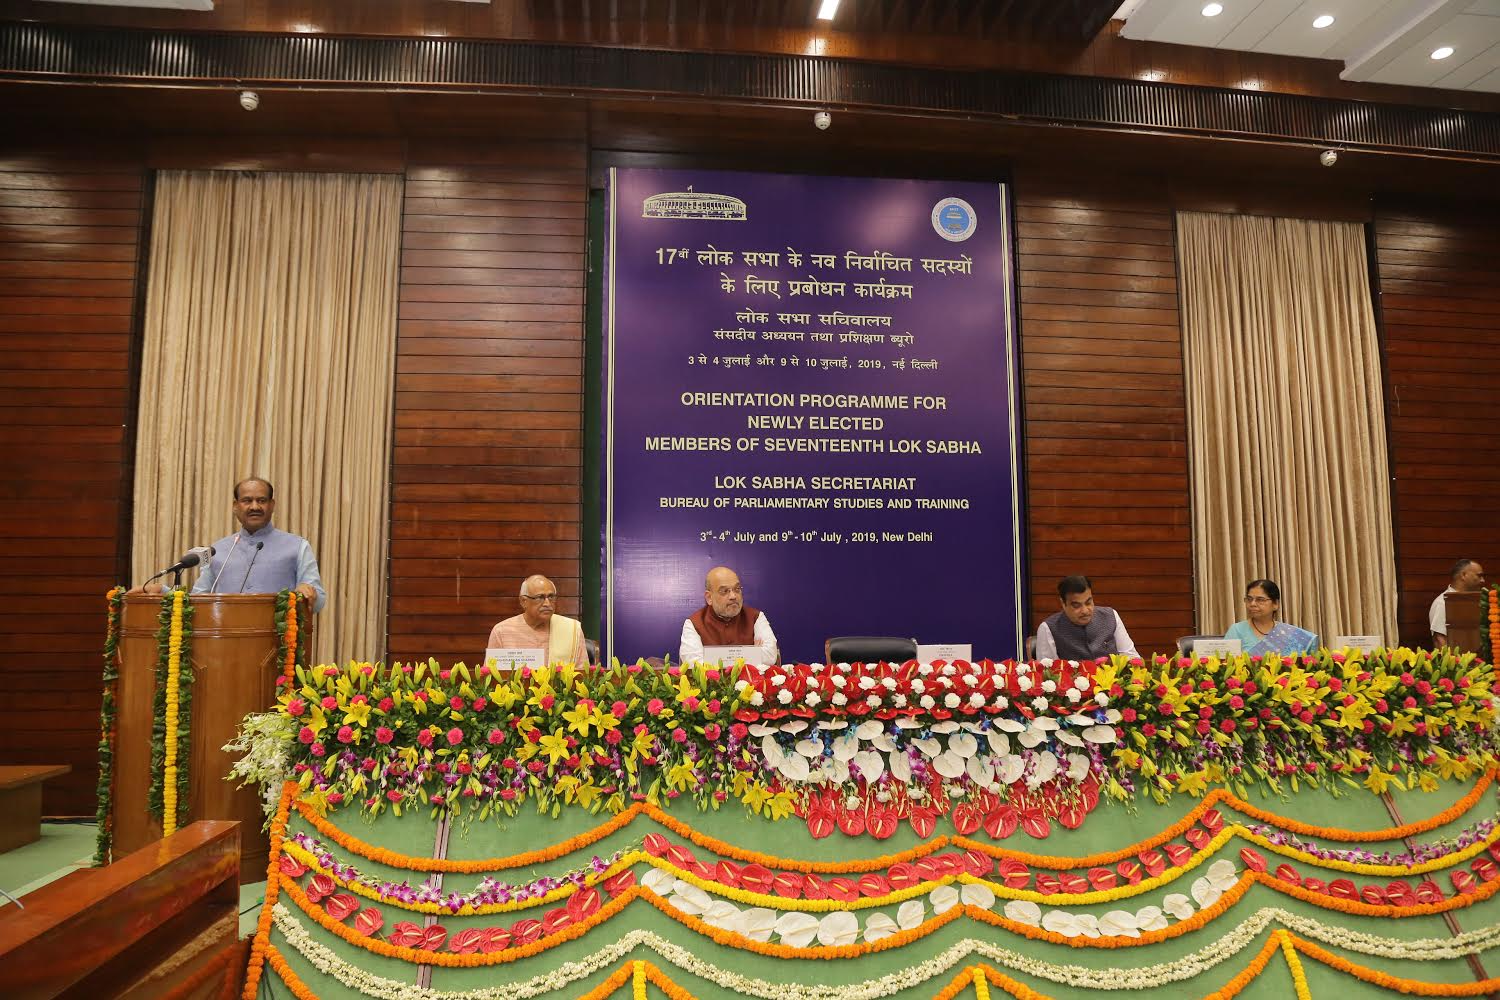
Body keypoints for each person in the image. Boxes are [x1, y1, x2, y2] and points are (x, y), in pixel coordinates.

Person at [143, 476, 325, 611]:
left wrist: (308, 592)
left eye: (261, 500)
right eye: (247, 500)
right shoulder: (216, 551)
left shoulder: (298, 546)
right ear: (235, 506)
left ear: (272, 505)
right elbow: (198, 601)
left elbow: (320, 600)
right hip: (224, 649)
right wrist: (163, 591)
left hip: (278, 650)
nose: (254, 506)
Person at [679, 566, 779, 665]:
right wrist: (753, 654)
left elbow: (770, 656)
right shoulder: (693, 623)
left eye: (737, 589)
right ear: (709, 597)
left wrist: (711, 658)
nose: (733, 596)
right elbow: (693, 663)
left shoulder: (756, 617)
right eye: (724, 591)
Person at [486, 574, 588, 666]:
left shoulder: (571, 629)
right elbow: (490, 676)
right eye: (540, 597)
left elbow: (583, 675)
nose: (547, 603)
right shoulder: (502, 631)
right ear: (523, 601)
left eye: (551, 597)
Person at [1035, 575, 1138, 661]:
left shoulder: (1111, 616)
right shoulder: (1048, 628)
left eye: (1088, 602)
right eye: (1076, 606)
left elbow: (1131, 657)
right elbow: (1047, 673)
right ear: (1063, 603)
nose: (1085, 610)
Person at [1224, 579, 1317, 656]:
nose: (1252, 604)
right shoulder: (1237, 630)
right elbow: (1225, 665)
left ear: (1275, 604)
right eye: (1249, 599)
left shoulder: (1290, 634)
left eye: (1260, 600)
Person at [1430, 558, 1486, 648]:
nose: (1483, 580)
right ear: (1463, 575)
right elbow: (1440, 641)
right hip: (1458, 661)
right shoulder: (1442, 603)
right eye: (1479, 576)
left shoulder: (1475, 601)